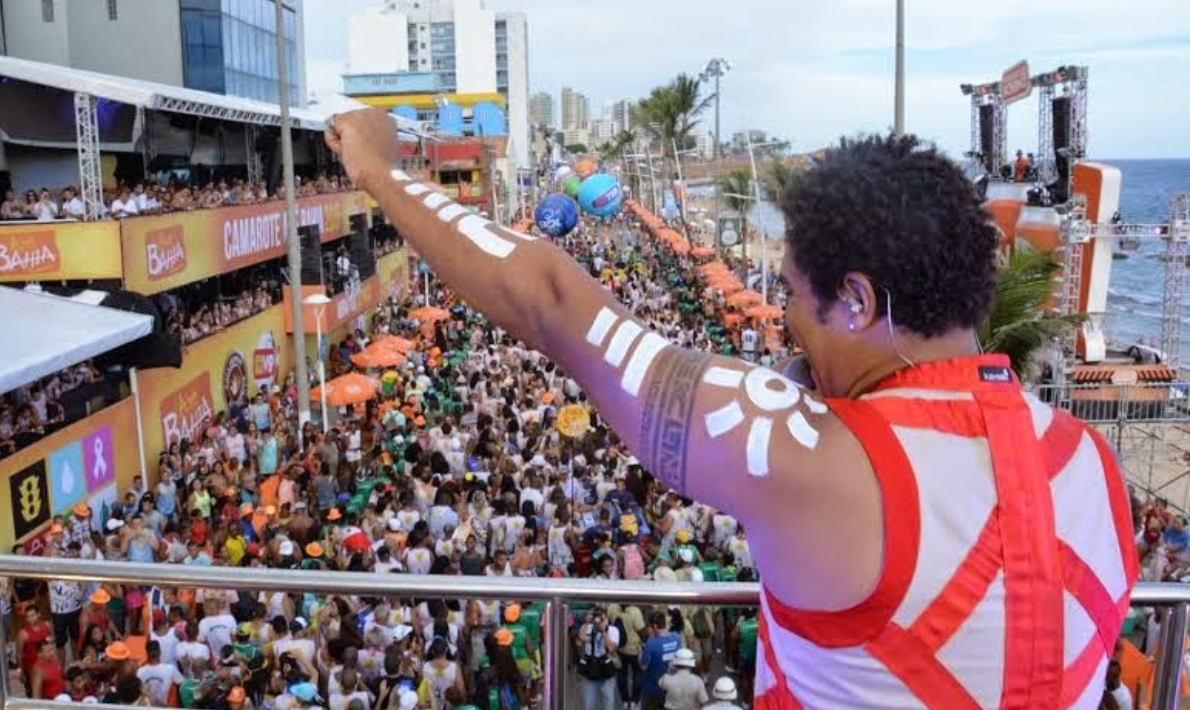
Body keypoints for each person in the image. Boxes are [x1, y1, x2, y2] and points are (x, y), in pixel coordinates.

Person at [326, 110, 1138, 709]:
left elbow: (548, 301)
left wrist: (378, 172)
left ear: (855, 300)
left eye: (791, 294)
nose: (784, 319)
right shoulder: (1093, 465)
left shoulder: (814, 456)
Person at [577, 606, 619, 710]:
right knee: (589, 704)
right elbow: (580, 639)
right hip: (590, 668)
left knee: (608, 703)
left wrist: (603, 631)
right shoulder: (587, 627)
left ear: (606, 617)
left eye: (600, 616)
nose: (597, 618)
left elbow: (611, 648)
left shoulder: (613, 630)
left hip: (606, 670)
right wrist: (587, 623)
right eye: (595, 615)